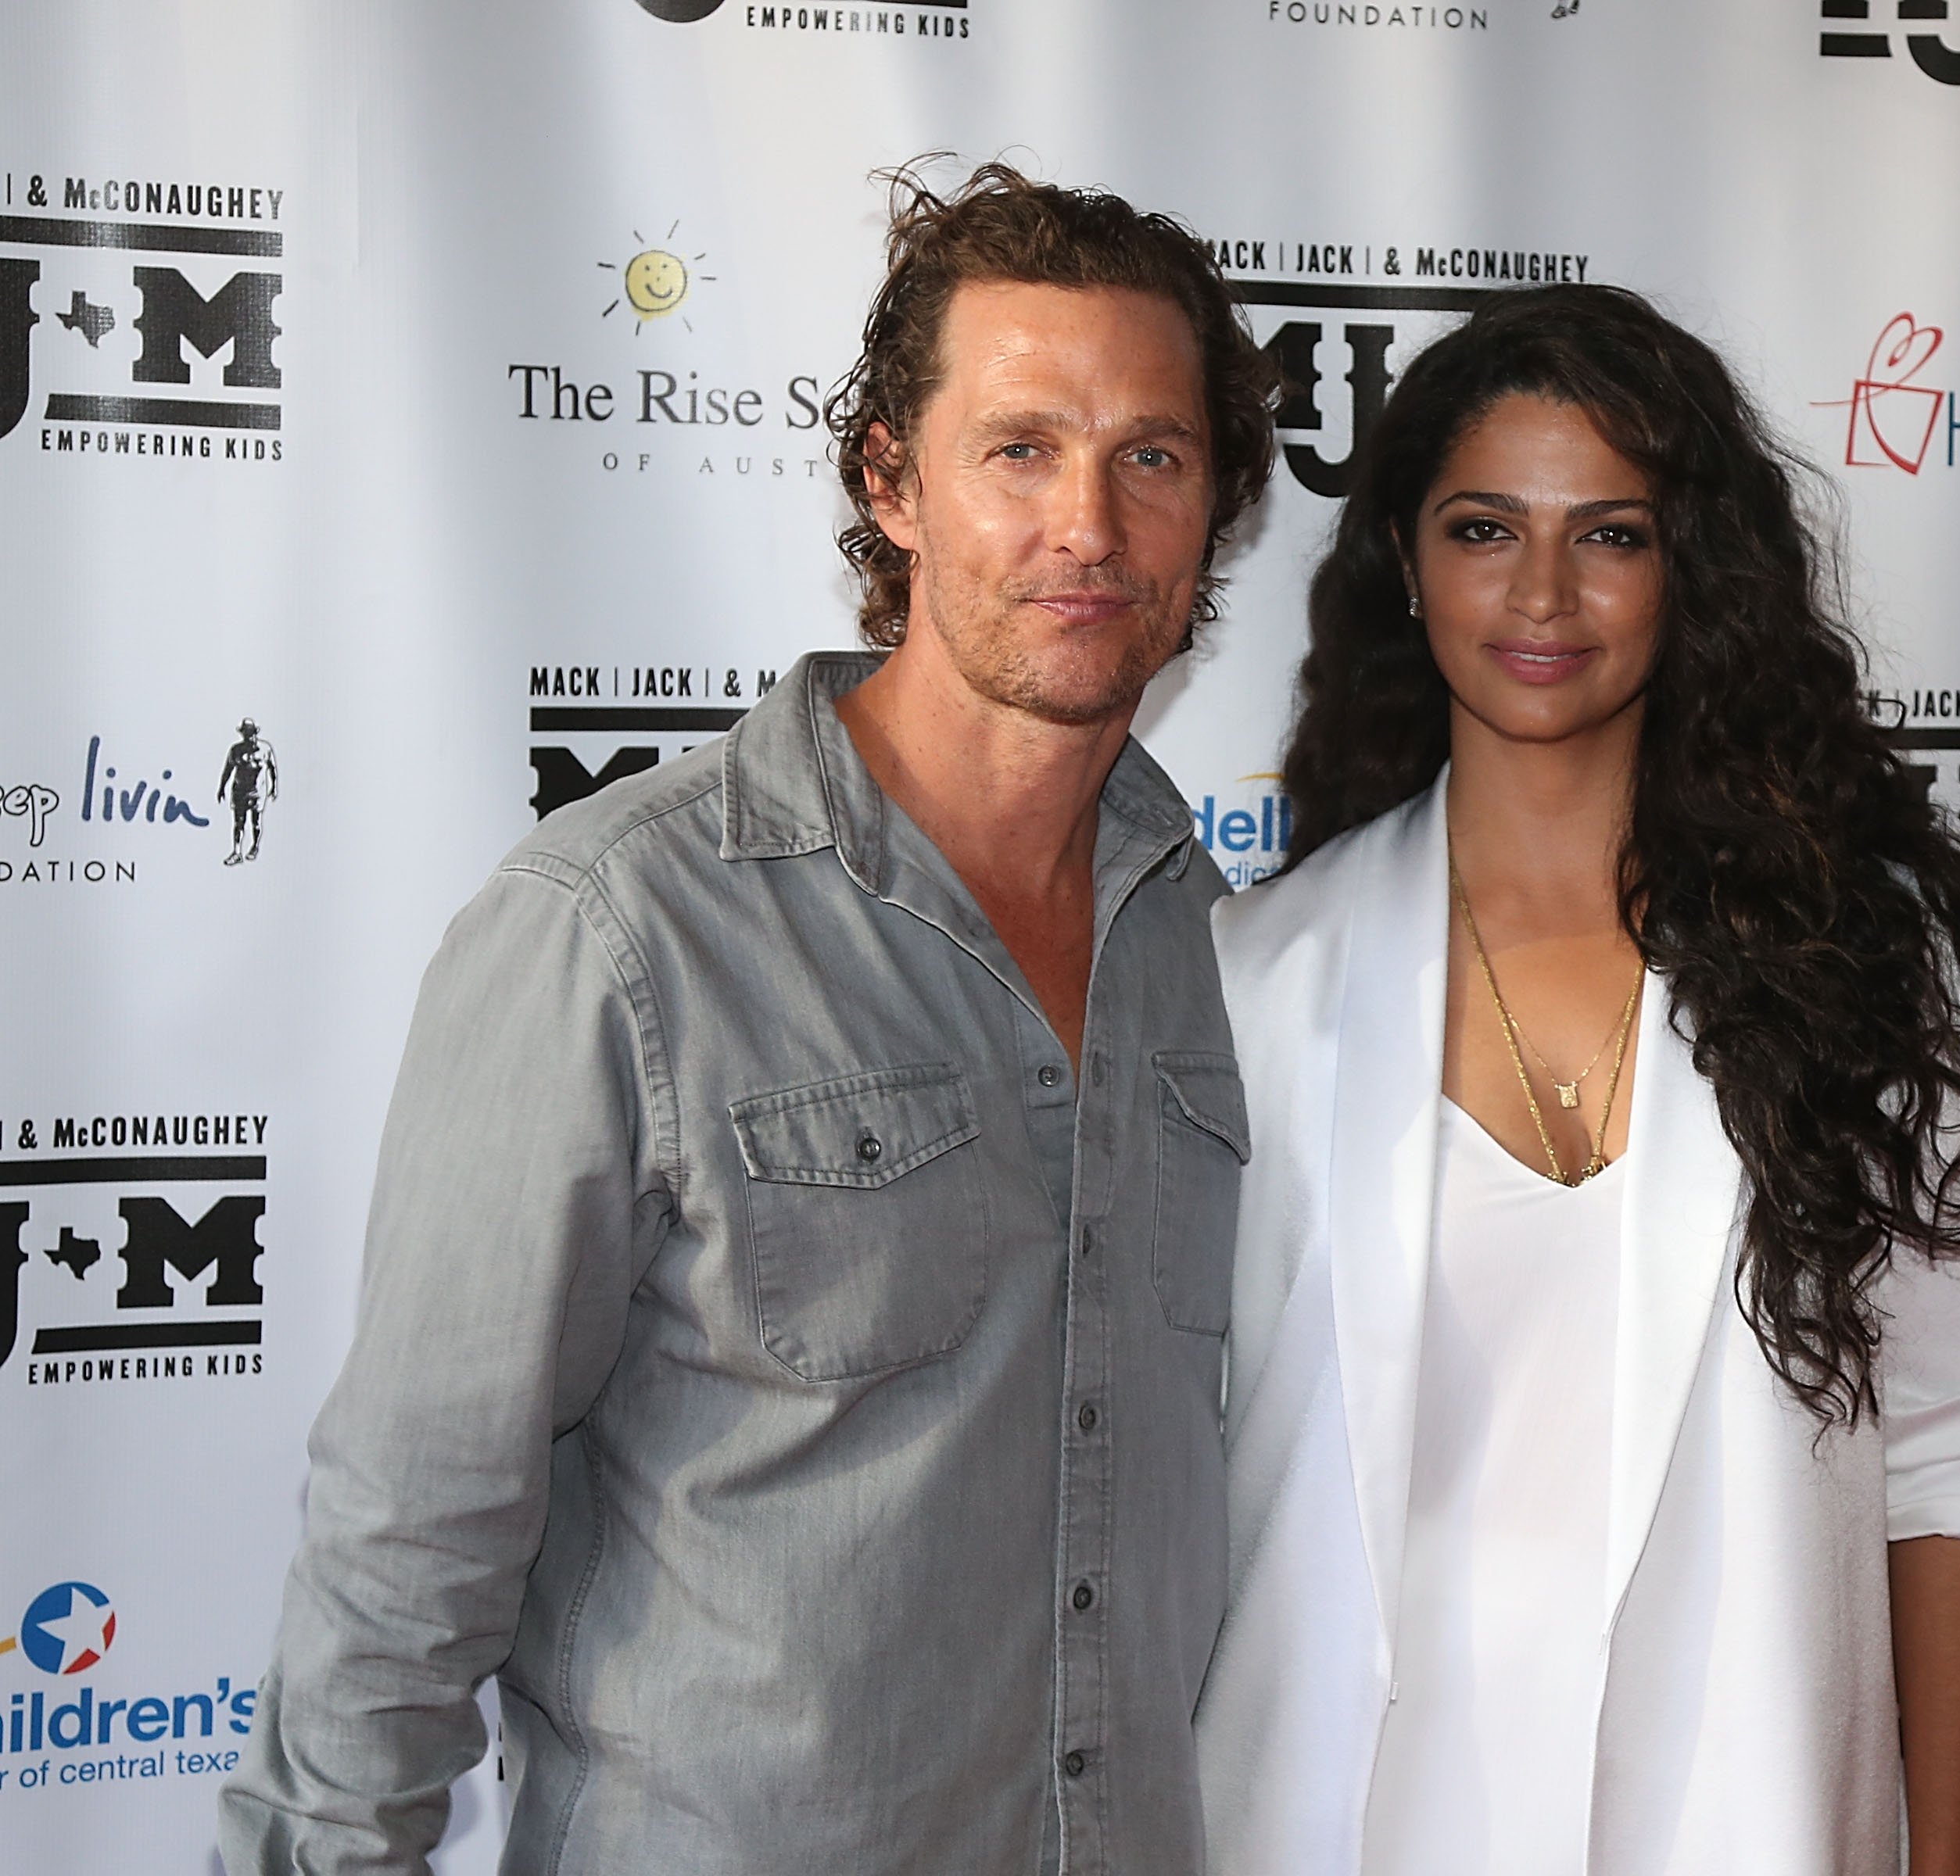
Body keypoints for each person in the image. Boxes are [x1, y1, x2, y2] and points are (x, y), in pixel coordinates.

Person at [220, 163, 1275, 1875]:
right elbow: (402, 1570)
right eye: (1020, 448)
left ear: (1216, 508)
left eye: (1150, 455)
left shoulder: (1230, 957)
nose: (1088, 523)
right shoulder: (618, 927)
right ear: (892, 479)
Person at [1195, 285, 1960, 1876]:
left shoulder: (1862, 982)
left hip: (1746, 1826)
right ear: (1405, 558)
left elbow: (1948, 1466)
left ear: (1689, 570)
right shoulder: (1252, 989)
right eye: (1482, 528)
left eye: (1609, 534)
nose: (1543, 590)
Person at [217, 716, 277, 865]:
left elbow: (272, 769)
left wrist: (274, 787)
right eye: (245, 733)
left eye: (250, 733)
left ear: (255, 733)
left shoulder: (265, 749)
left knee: (255, 822)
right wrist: (221, 788)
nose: (248, 736)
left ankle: (255, 846)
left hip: (257, 792)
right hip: (240, 791)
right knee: (239, 822)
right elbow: (228, 770)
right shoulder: (236, 750)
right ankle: (237, 852)